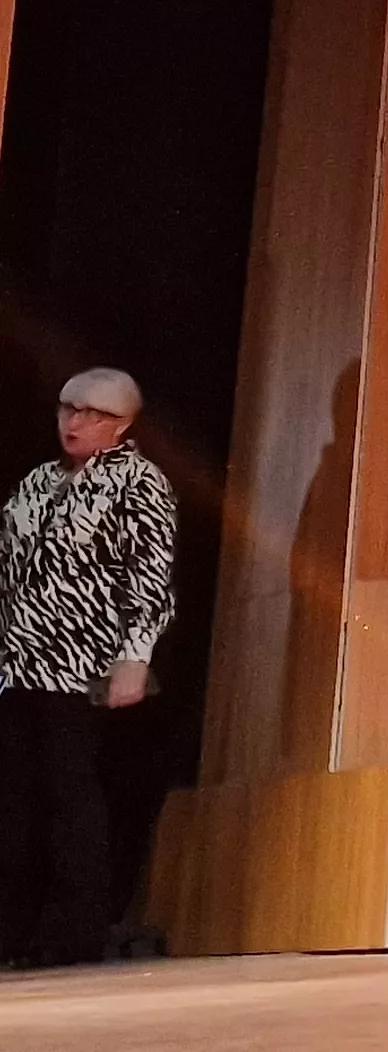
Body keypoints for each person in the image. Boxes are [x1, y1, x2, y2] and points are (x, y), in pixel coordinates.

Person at [0, 369, 174, 967]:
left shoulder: (137, 483)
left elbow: (149, 579)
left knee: (69, 797)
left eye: (90, 413)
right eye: (66, 408)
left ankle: (70, 934)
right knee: (15, 800)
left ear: (122, 424)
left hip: (82, 667)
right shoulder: (39, 482)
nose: (73, 422)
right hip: (18, 661)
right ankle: (12, 930)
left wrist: (134, 658)